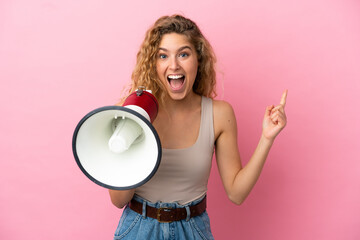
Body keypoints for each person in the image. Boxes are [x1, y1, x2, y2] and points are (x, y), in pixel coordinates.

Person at [109, 14, 287, 240]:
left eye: (183, 54)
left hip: (192, 230)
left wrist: (267, 138)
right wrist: (131, 132)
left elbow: (237, 193)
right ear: (154, 63)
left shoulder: (219, 114)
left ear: (198, 59)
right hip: (138, 228)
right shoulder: (131, 112)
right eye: (163, 56)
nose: (173, 65)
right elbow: (118, 200)